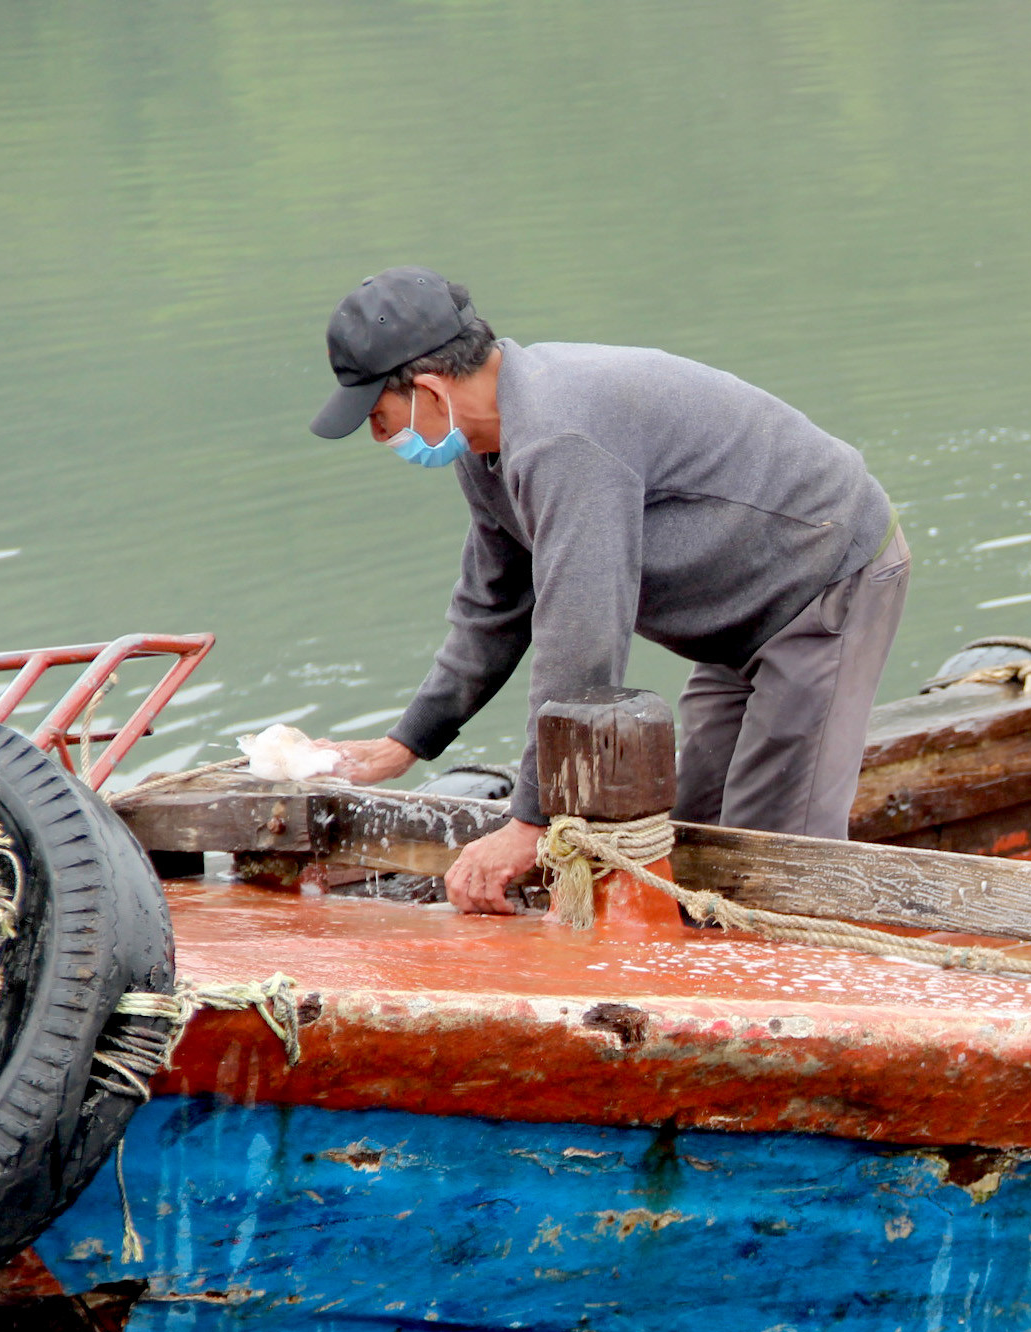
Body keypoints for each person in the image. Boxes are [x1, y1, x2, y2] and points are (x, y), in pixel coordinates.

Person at [302, 266, 908, 914]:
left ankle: (799, 1000)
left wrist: (531, 822)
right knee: (695, 837)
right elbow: (494, 608)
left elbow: (582, 638)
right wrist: (407, 742)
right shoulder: (487, 448)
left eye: (379, 416)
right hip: (737, 620)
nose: (379, 435)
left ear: (427, 387)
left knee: (771, 863)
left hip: (823, 582)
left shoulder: (562, 437)